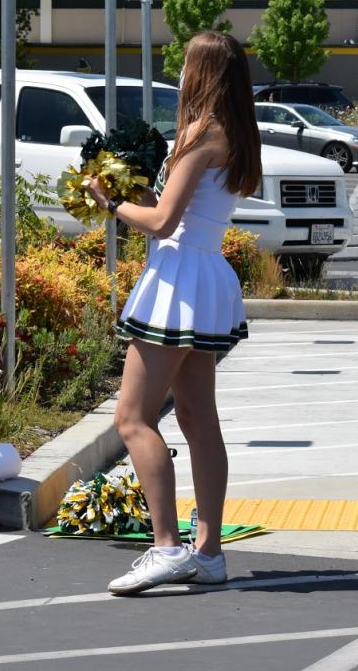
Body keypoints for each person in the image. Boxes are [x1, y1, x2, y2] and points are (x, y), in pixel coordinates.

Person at [87, 31, 262, 595]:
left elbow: (163, 220)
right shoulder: (237, 132)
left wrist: (111, 202)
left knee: (132, 418)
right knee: (197, 417)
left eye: (187, 64)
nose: (181, 72)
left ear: (202, 73)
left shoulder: (201, 132)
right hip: (206, 273)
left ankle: (166, 547)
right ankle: (208, 553)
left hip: (178, 275)